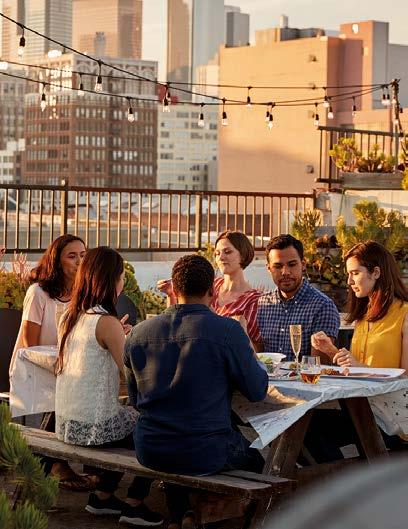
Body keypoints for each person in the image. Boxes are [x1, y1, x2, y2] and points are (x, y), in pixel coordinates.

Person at [125, 254, 269, 529]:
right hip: (207, 451)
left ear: (175, 288)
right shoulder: (228, 330)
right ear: (212, 290)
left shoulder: (137, 333)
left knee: (182, 439)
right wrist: (248, 355)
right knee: (260, 460)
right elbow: (256, 390)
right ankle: (210, 517)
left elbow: (134, 400)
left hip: (150, 448)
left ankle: (182, 514)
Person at [56, 246, 163, 526]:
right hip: (94, 428)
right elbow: (135, 376)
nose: (123, 281)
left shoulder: (70, 315)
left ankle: (102, 497)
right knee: (159, 428)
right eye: (121, 276)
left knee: (132, 419)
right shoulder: (106, 322)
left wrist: (119, 337)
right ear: (112, 279)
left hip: (67, 424)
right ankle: (135, 503)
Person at [9, 234, 93, 491]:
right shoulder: (38, 292)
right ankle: (54, 465)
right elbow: (30, 344)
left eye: (83, 255)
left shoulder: (84, 293)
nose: (79, 261)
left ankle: (88, 467)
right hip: (34, 368)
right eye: (72, 256)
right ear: (57, 261)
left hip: (69, 367)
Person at [312, 240, 408, 370]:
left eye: (355, 273)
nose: (349, 281)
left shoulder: (404, 315)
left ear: (376, 273)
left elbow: (405, 378)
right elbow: (355, 368)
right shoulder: (363, 315)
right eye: (348, 274)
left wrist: (359, 367)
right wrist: (330, 350)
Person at [157, 230, 262, 347]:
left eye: (227, 252)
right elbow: (177, 320)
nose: (221, 257)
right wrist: (171, 294)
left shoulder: (254, 300)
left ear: (243, 255)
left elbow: (254, 346)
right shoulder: (209, 284)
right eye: (217, 253)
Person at [257, 234, 340, 360]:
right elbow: (257, 357)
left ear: (303, 264)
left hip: (305, 374)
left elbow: (319, 366)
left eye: (292, 264)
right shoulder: (262, 304)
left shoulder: (322, 306)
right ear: (269, 269)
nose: (285, 272)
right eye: (278, 266)